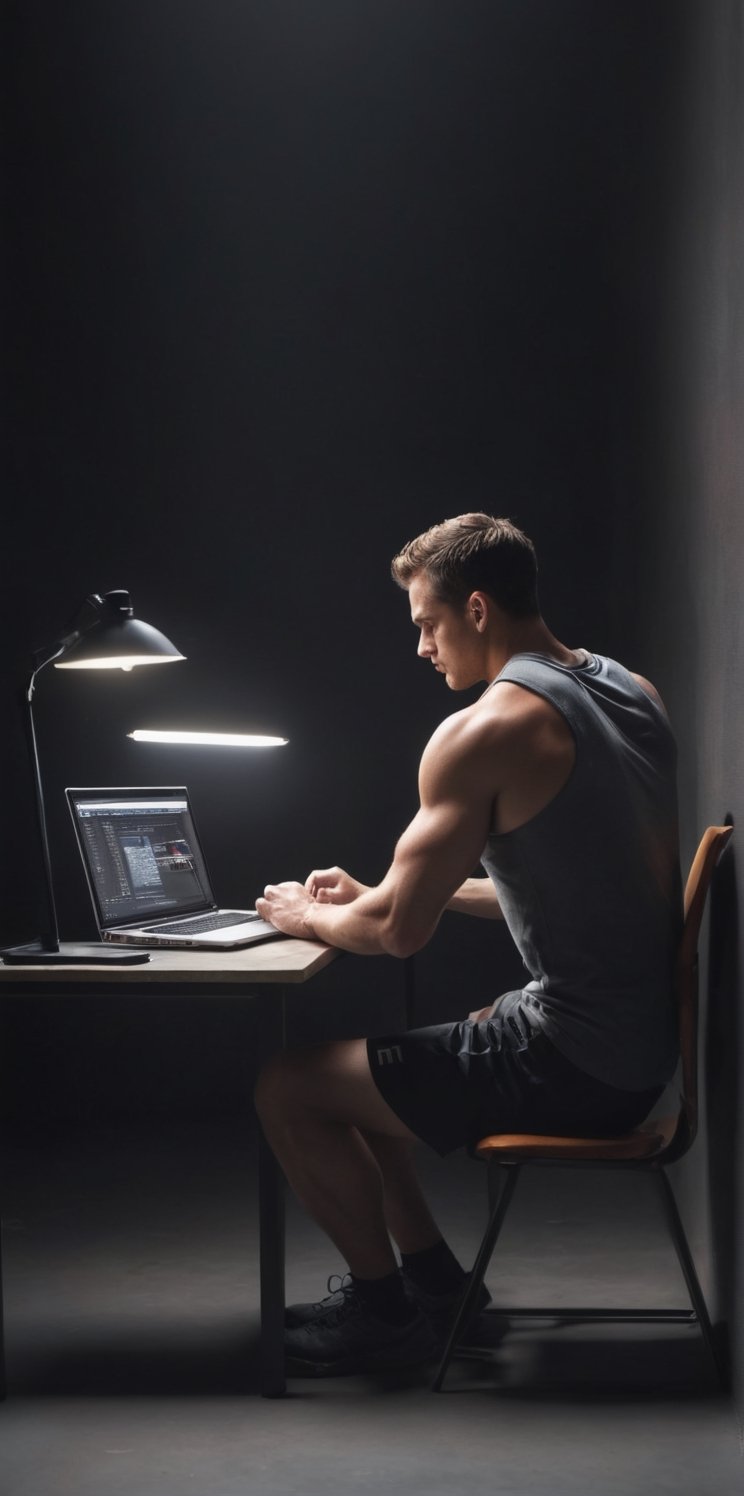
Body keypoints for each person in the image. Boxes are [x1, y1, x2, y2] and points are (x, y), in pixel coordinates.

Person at [254, 513, 682, 1377]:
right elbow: (578, 886)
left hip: (577, 1067)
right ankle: (439, 1284)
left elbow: (395, 936)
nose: (421, 646)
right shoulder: (630, 691)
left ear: (477, 609)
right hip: (638, 1048)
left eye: (426, 622)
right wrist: (389, 895)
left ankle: (384, 1315)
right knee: (385, 1067)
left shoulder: (482, 731)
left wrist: (307, 918)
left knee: (291, 1086)